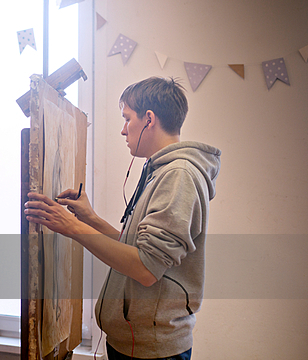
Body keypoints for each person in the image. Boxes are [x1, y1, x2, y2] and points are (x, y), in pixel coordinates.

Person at [24, 77, 221, 359]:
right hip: (133, 344)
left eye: (127, 119)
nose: (123, 130)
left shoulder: (179, 176)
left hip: (152, 351)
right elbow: (138, 250)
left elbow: (145, 268)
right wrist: (90, 219)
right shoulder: (160, 171)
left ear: (149, 119)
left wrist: (72, 227)